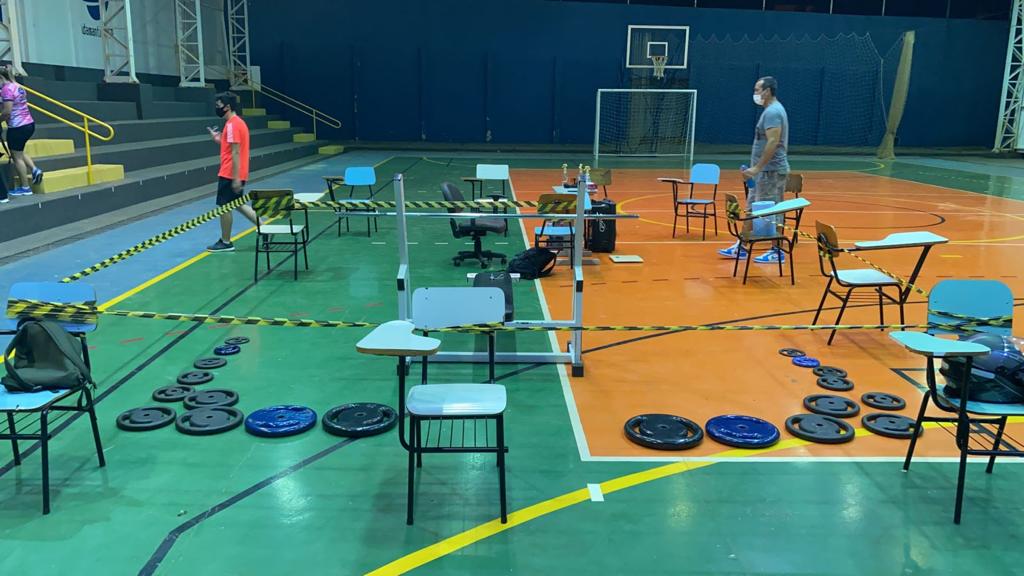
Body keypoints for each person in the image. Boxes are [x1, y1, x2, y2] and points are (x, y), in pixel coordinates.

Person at [719, 76, 790, 263]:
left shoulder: (773, 112)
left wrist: (758, 168)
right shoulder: (769, 111)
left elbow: (773, 141)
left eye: (757, 90)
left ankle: (777, 251)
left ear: (767, 91)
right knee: (751, 208)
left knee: (771, 209)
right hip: (761, 173)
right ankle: (742, 246)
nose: (755, 94)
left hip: (770, 172)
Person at [206, 91, 256, 253]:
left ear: (227, 107)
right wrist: (217, 139)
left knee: (224, 207)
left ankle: (226, 241)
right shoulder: (235, 123)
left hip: (229, 173)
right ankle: (264, 228)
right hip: (235, 172)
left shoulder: (233, 125)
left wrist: (235, 178)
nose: (217, 107)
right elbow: (230, 146)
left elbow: (235, 152)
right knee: (238, 204)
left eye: (219, 105)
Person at [0, 63, 43, 198]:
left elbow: (7, 112)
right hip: (29, 124)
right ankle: (34, 169)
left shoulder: (6, 90)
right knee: (18, 150)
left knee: (16, 157)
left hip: (17, 127)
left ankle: (25, 188)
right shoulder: (17, 86)